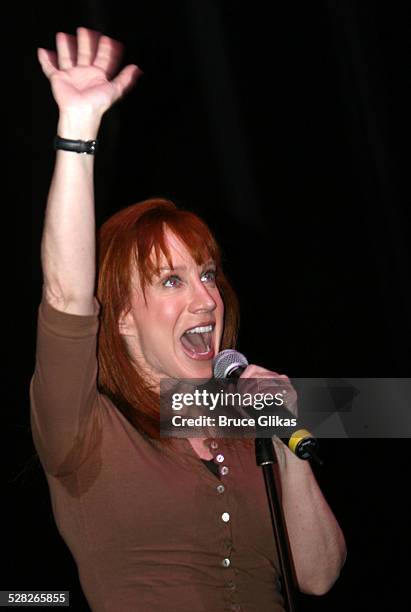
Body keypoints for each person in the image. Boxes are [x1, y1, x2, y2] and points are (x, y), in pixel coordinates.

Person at [32, 27, 346, 612]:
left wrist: (285, 445)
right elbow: (68, 299)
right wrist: (77, 132)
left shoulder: (244, 425)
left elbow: (319, 576)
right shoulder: (85, 427)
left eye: (207, 274)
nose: (206, 298)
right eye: (172, 281)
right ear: (122, 318)